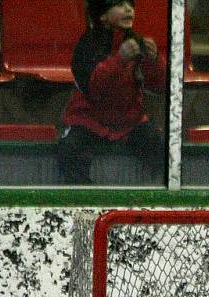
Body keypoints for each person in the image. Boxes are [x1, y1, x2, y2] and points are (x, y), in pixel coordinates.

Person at [58, 0, 167, 184]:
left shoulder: (138, 44)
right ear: (102, 15)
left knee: (161, 148)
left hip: (130, 121)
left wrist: (154, 60)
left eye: (131, 5)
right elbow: (94, 88)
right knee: (70, 150)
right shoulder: (87, 46)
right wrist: (120, 60)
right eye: (120, 4)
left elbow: (159, 86)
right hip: (88, 120)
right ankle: (85, 200)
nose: (128, 9)